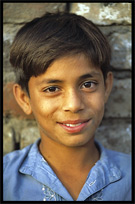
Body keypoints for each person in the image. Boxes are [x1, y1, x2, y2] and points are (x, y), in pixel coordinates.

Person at [3, 12, 131, 201]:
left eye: (88, 84)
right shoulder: (6, 181)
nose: (73, 105)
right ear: (24, 98)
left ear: (107, 87)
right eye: (52, 88)